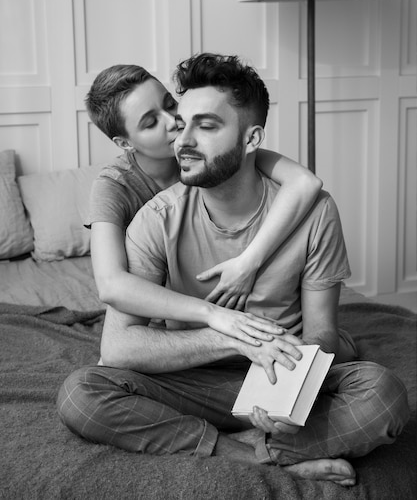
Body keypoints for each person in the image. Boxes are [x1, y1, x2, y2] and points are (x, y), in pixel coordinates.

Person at [58, 54, 409, 486]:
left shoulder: (314, 211)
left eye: (205, 126)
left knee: (383, 395)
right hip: (195, 376)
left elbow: (321, 332)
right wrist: (234, 336)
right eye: (178, 122)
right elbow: (117, 342)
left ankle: (257, 443)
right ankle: (245, 452)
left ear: (250, 139)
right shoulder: (152, 216)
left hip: (284, 366)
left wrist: (284, 393)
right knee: (82, 392)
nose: (180, 137)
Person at [84, 63, 324, 345]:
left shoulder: (212, 154)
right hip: (156, 310)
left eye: (170, 104)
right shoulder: (113, 186)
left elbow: (305, 183)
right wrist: (211, 314)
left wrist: (248, 263)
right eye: (150, 122)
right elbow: (111, 285)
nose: (173, 120)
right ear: (125, 143)